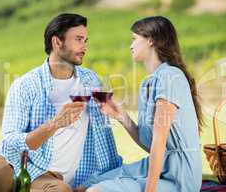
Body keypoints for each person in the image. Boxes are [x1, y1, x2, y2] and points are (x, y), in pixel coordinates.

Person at [0, 13, 122, 192]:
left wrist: (105, 176)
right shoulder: (26, 85)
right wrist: (55, 124)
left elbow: (104, 135)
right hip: (18, 164)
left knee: (60, 190)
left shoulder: (91, 81)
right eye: (78, 39)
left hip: (51, 178)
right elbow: (10, 139)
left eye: (86, 40)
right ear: (57, 42)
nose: (84, 46)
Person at [81, 16, 204, 192]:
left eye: (134, 39)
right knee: (87, 184)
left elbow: (159, 142)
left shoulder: (170, 77)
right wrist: (120, 115)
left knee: (96, 190)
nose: (131, 46)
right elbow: (149, 144)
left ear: (151, 40)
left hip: (180, 177)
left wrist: (149, 190)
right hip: (158, 166)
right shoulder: (149, 83)